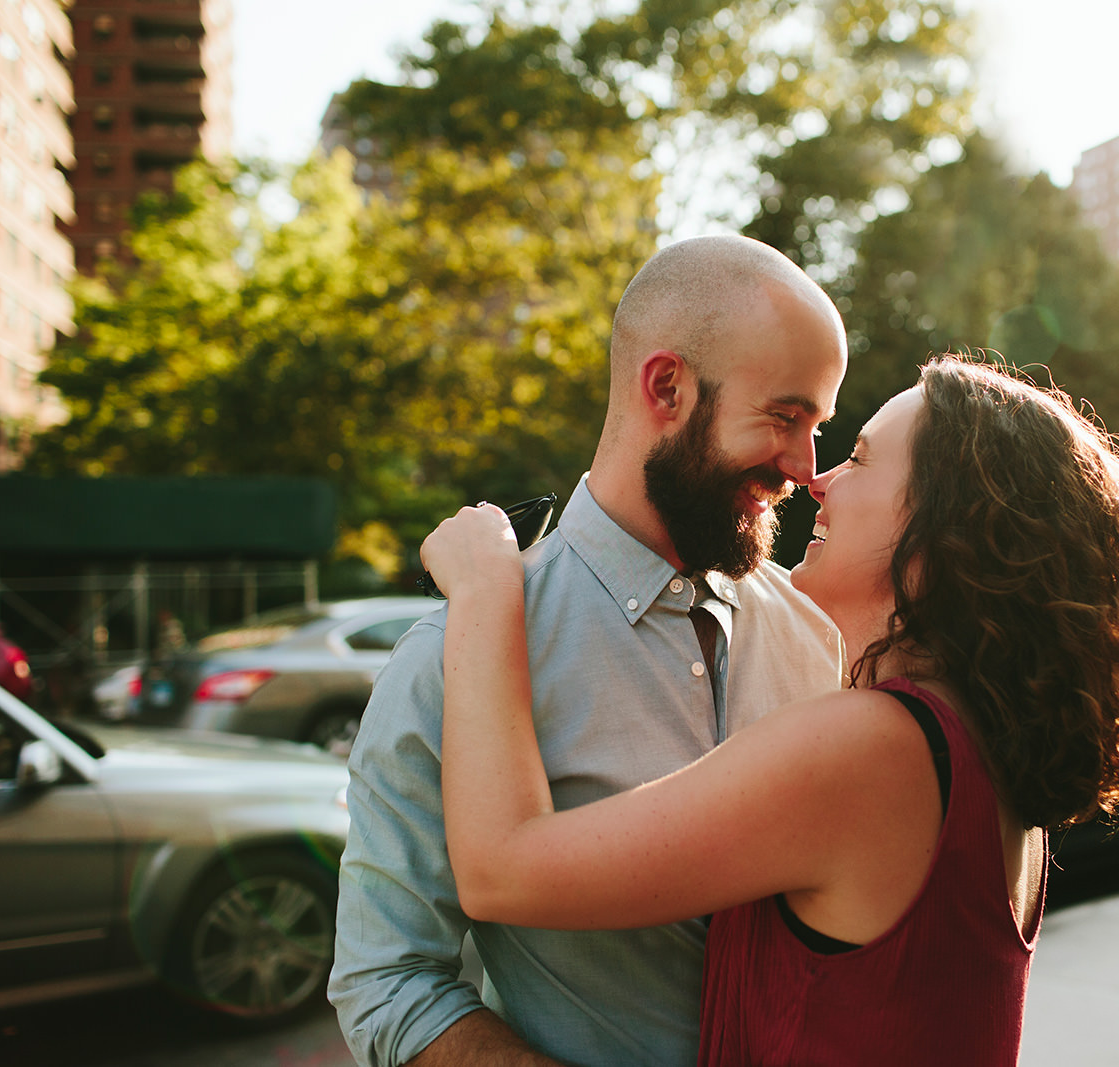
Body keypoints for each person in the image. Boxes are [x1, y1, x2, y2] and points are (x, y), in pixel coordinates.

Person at [422, 356, 1119, 1065]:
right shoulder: (984, 759)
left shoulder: (873, 750)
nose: (818, 480)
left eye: (859, 458)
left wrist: (487, 588)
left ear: (944, 542)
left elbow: (499, 871)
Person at [329, 234, 850, 1067]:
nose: (803, 466)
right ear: (668, 386)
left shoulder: (814, 633)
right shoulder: (449, 656)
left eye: (818, 427)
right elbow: (388, 979)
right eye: (785, 417)